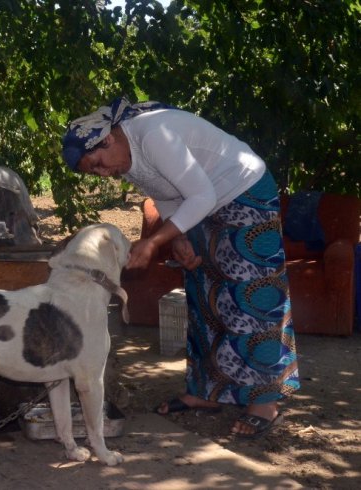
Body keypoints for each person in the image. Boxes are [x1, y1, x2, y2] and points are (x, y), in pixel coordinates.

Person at [61, 97, 300, 438]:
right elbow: (170, 197)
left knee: (251, 297)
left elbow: (200, 195)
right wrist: (178, 238)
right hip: (208, 201)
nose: (103, 173)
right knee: (206, 298)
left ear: (108, 139)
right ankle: (205, 392)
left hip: (244, 190)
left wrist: (154, 242)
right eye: (94, 172)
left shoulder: (155, 134)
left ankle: (265, 402)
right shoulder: (126, 158)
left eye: (97, 163)